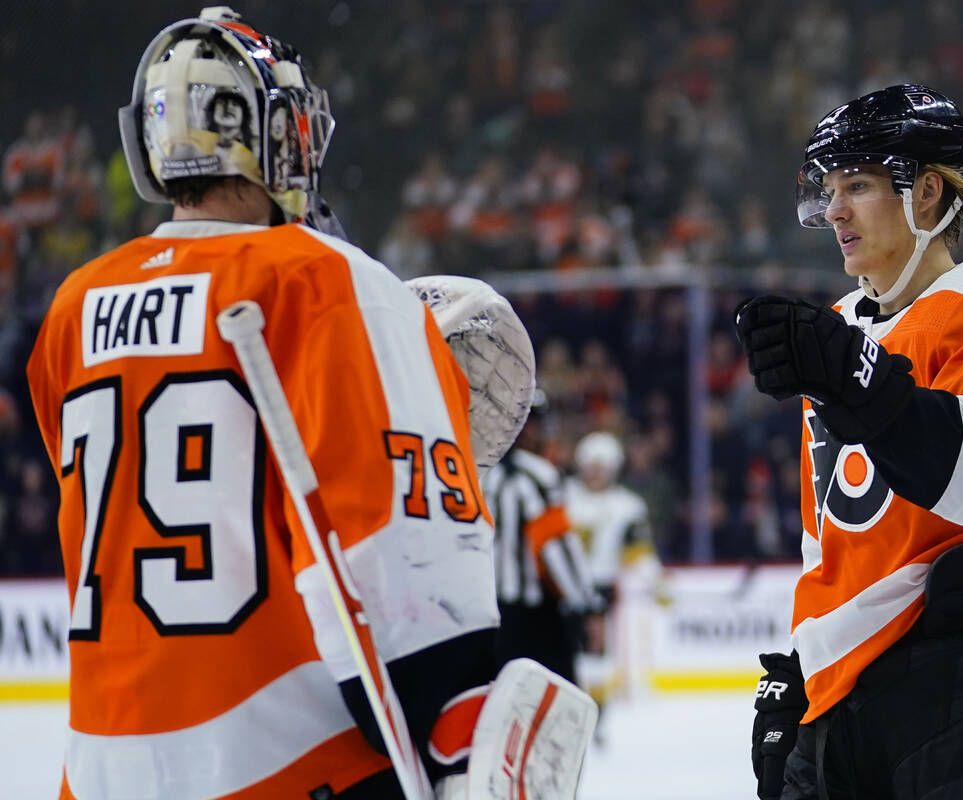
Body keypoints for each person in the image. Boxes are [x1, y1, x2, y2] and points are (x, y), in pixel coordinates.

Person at [25, 8, 590, 799]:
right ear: (271, 133)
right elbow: (398, 576)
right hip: (288, 766)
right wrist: (458, 730)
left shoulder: (72, 309)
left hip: (98, 772)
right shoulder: (323, 279)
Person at [735, 84, 963, 799]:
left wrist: (862, 385)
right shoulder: (838, 328)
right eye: (828, 189)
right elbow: (830, 538)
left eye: (857, 184)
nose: (834, 210)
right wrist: (796, 673)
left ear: (927, 193)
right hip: (839, 698)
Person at [481, 390, 598, 685]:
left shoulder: (477, 470)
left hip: (487, 613)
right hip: (535, 618)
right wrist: (587, 603)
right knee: (556, 709)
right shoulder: (538, 476)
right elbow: (555, 549)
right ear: (526, 427)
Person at [565, 431, 665, 720]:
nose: (594, 473)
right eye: (590, 465)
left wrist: (656, 580)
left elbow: (639, 551)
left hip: (598, 587)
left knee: (595, 648)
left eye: (600, 466)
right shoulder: (562, 495)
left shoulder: (627, 506)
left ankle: (594, 711)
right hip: (556, 587)